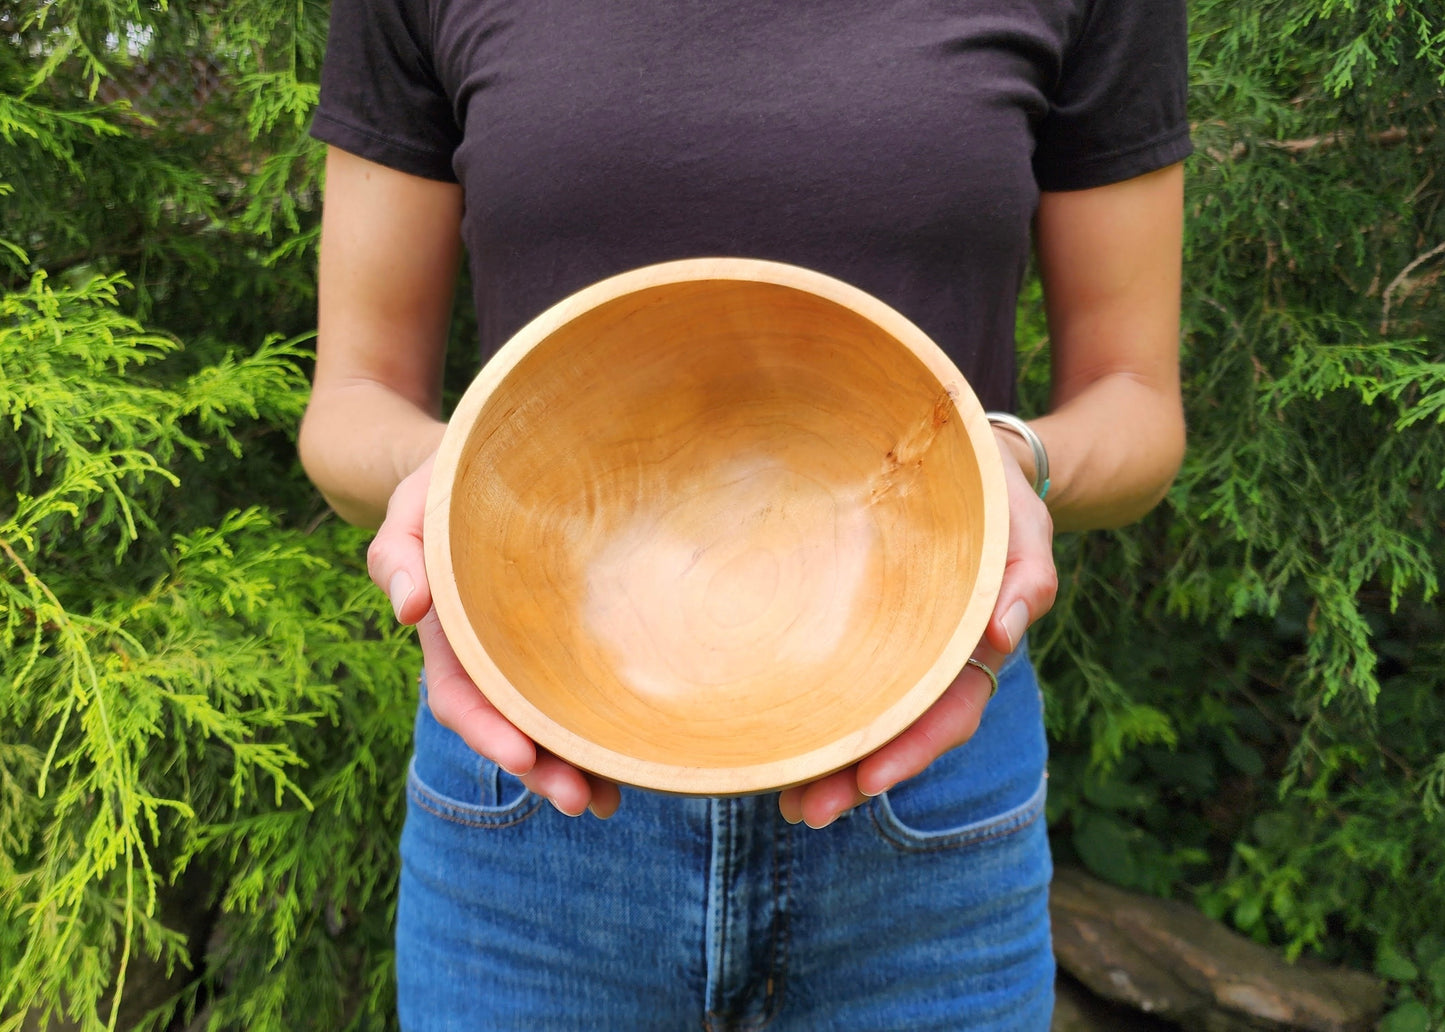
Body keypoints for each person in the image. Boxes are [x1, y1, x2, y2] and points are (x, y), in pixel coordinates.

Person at [299, 1, 1190, 1028]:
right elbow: (351, 405)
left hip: (926, 770)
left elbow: (1133, 401)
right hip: (531, 783)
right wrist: (468, 483)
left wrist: (1013, 458)